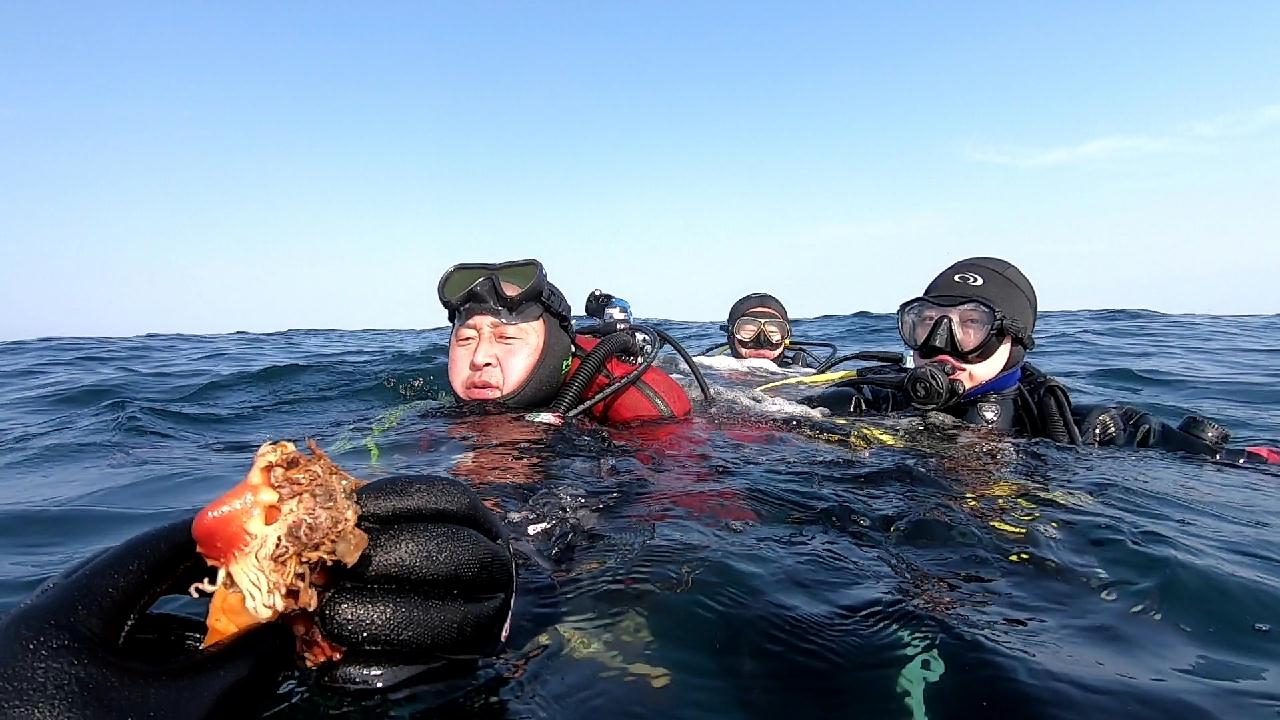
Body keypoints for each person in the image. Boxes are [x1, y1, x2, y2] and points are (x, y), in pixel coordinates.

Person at [803, 256, 1279, 464]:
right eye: (925, 321)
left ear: (1014, 339)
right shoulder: (865, 402)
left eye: (971, 323)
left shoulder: (1081, 427)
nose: (941, 342)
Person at [440, 259, 694, 422]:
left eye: (507, 337)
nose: (479, 358)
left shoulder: (625, 416)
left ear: (554, 349)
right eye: (466, 339)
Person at [699, 293, 834, 369]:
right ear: (731, 335)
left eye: (773, 333)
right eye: (749, 330)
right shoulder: (710, 370)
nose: (762, 341)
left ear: (785, 338)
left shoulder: (805, 372)